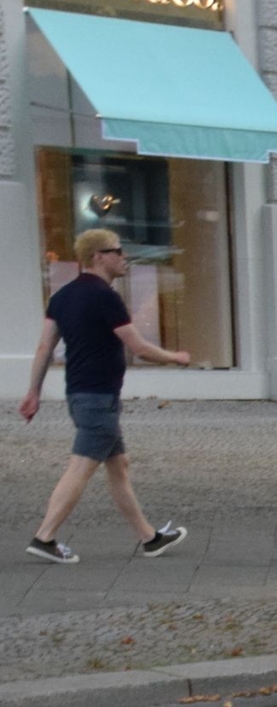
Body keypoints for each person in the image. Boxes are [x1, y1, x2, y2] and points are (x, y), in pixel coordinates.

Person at [22, 228, 190, 564]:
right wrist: (176, 357)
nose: (124, 257)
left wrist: (33, 392)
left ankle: (149, 538)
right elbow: (138, 347)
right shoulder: (105, 297)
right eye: (118, 251)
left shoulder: (62, 297)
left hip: (82, 395)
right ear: (99, 256)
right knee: (81, 467)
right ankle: (45, 537)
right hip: (98, 397)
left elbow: (45, 347)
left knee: (119, 465)